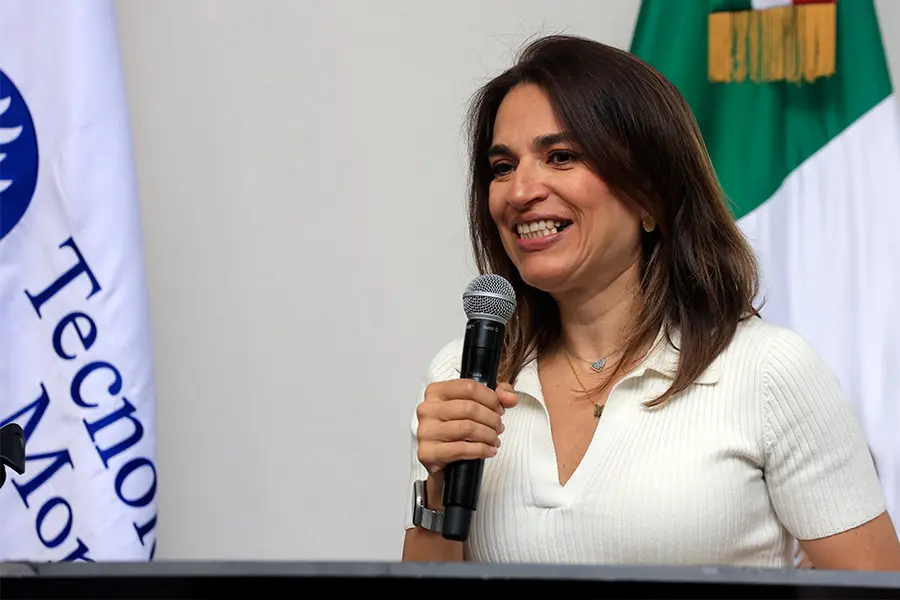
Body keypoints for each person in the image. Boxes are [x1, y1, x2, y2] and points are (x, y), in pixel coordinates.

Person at [401, 34, 900, 570]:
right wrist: (436, 492)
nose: (520, 192)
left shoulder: (768, 372)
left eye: (561, 156)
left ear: (649, 195)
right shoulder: (464, 374)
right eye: (502, 167)